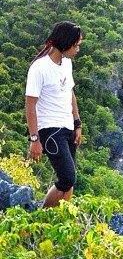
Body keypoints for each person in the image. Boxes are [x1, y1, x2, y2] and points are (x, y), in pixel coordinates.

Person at [25, 21, 83, 208]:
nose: (78, 49)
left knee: (70, 179)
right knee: (67, 178)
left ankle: (59, 219)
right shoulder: (39, 68)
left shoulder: (67, 64)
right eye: (76, 45)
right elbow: (30, 105)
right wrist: (35, 139)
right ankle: (42, 219)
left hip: (67, 127)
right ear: (66, 43)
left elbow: (70, 94)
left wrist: (77, 124)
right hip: (50, 130)